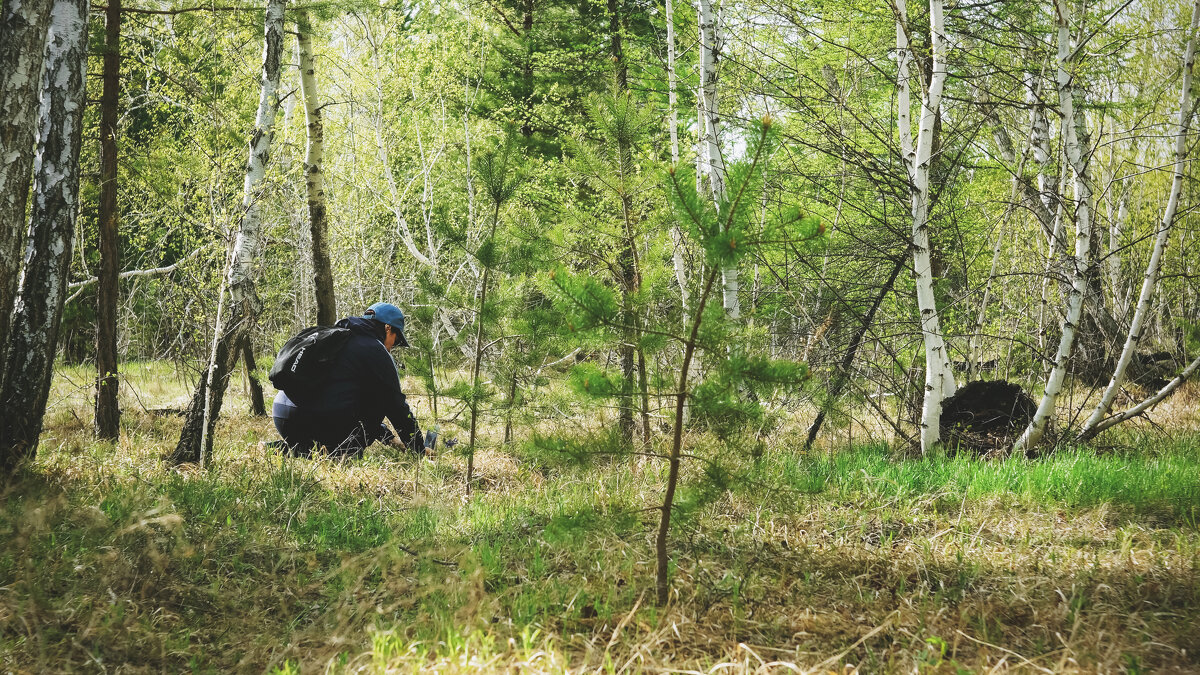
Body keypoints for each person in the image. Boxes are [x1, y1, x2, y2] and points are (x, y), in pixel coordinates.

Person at [270, 302, 424, 458]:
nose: (393, 346)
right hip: (313, 418)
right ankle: (345, 452)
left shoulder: (338, 337)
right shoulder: (375, 350)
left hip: (283, 415)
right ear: (387, 328)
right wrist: (419, 450)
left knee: (317, 449)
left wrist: (389, 438)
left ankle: (279, 450)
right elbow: (395, 407)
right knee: (380, 400)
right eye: (396, 340)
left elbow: (354, 402)